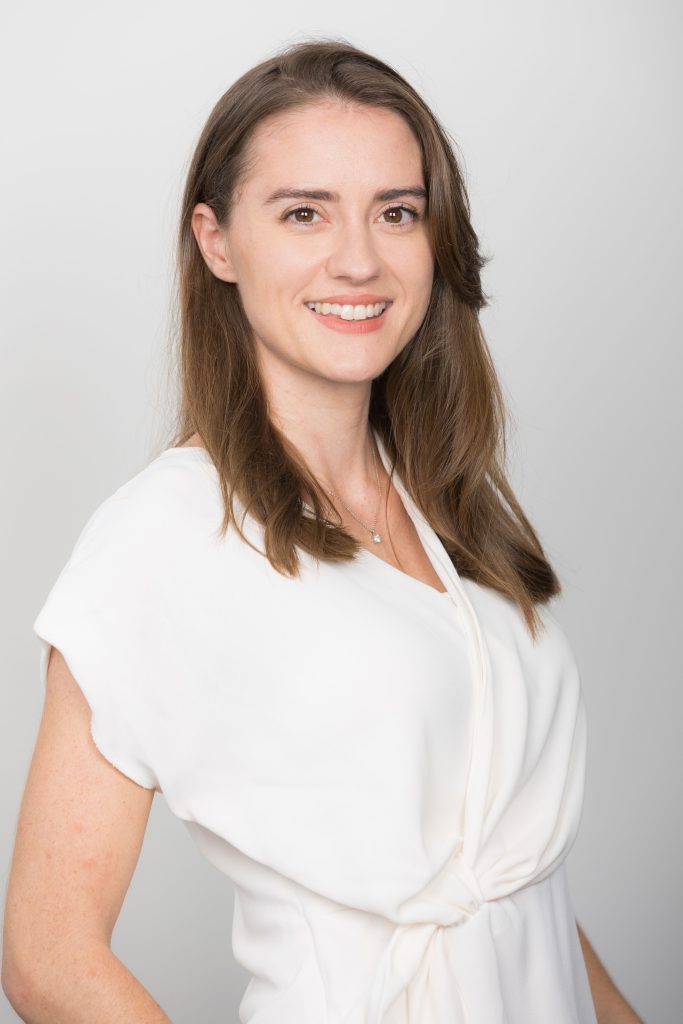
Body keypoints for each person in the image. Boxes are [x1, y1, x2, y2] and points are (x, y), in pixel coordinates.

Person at [3, 39, 644, 1024]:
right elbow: (47, 953)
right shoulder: (165, 534)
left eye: (396, 212)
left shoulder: (449, 506)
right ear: (216, 241)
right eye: (303, 212)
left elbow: (510, 887)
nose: (359, 258)